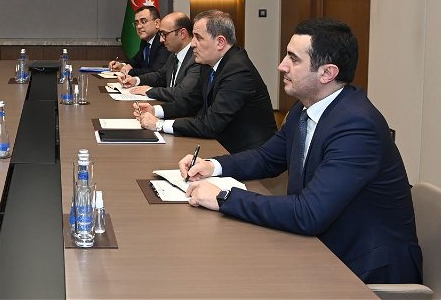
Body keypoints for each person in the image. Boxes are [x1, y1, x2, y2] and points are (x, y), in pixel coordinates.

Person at [181, 18, 422, 285]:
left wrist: (224, 198)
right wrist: (212, 166)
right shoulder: (306, 108)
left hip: (363, 269)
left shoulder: (357, 126)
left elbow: (309, 213)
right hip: (320, 248)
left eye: (294, 59)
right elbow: (267, 158)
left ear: (327, 73)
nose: (281, 65)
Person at [134, 9, 275, 153]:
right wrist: (156, 110)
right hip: (221, 144)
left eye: (198, 38)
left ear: (220, 42)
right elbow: (191, 102)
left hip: (249, 153)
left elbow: (211, 124)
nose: (192, 44)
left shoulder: (238, 71)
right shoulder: (208, 64)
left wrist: (159, 125)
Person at [119, 12, 202, 119]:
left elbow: (181, 93)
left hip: (186, 117)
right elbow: (160, 76)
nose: (161, 40)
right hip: (171, 110)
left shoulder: (197, 58)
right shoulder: (174, 54)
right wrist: (136, 80)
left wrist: (149, 91)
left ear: (182, 33)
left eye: (164, 34)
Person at [108, 6, 169, 77]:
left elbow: (155, 71)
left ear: (157, 23)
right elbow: (137, 60)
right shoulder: (145, 41)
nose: (139, 26)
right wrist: (122, 65)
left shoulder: (164, 42)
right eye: (136, 23)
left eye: (143, 21)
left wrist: (129, 71)